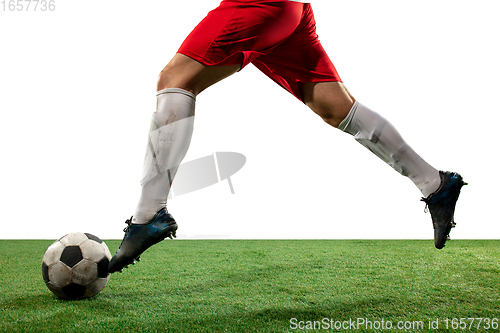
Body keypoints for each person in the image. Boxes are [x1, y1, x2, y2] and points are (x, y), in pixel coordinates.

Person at [108, 0, 467, 273]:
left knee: (174, 79)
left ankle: (148, 214)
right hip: (290, 10)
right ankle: (434, 183)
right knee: (335, 107)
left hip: (259, 4)